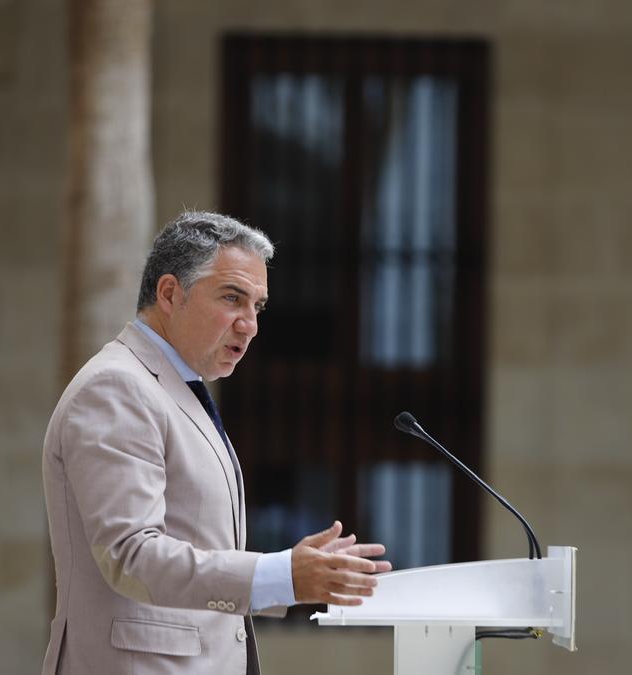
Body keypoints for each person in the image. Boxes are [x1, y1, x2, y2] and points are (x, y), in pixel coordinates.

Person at [41, 211, 391, 674]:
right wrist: (278, 576)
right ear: (170, 293)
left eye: (257, 307)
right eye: (233, 298)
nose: (250, 325)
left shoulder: (171, 384)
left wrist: (287, 573)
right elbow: (133, 554)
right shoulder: (117, 387)